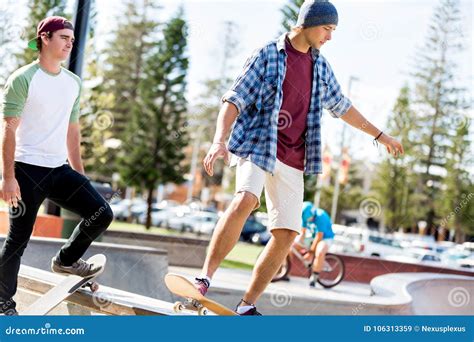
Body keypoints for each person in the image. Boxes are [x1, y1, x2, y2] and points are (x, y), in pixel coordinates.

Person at [197, 0, 404, 315]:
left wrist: (380, 135)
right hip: (258, 145)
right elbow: (234, 99)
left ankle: (245, 305)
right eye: (327, 29)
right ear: (308, 23)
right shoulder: (267, 55)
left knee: (287, 233)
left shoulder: (320, 67)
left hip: (294, 158)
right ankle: (204, 278)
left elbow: (343, 107)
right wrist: (218, 141)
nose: (329, 37)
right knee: (245, 200)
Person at [0, 16, 113, 316]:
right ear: (45, 39)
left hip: (58, 169)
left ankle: (66, 260)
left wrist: (79, 173)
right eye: (63, 37)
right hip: (26, 169)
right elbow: (9, 130)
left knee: (102, 212)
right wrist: (8, 177)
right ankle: (2, 302)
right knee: (18, 240)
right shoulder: (23, 78)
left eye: (72, 40)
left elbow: (72, 131)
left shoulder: (73, 83)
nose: (69, 44)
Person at [298, 201, 334, 287]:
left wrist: (310, 253)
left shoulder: (321, 216)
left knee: (320, 252)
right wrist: (299, 242)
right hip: (313, 237)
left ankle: (314, 277)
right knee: (292, 246)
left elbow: (319, 237)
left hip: (325, 238)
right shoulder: (304, 215)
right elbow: (303, 232)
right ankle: (284, 272)